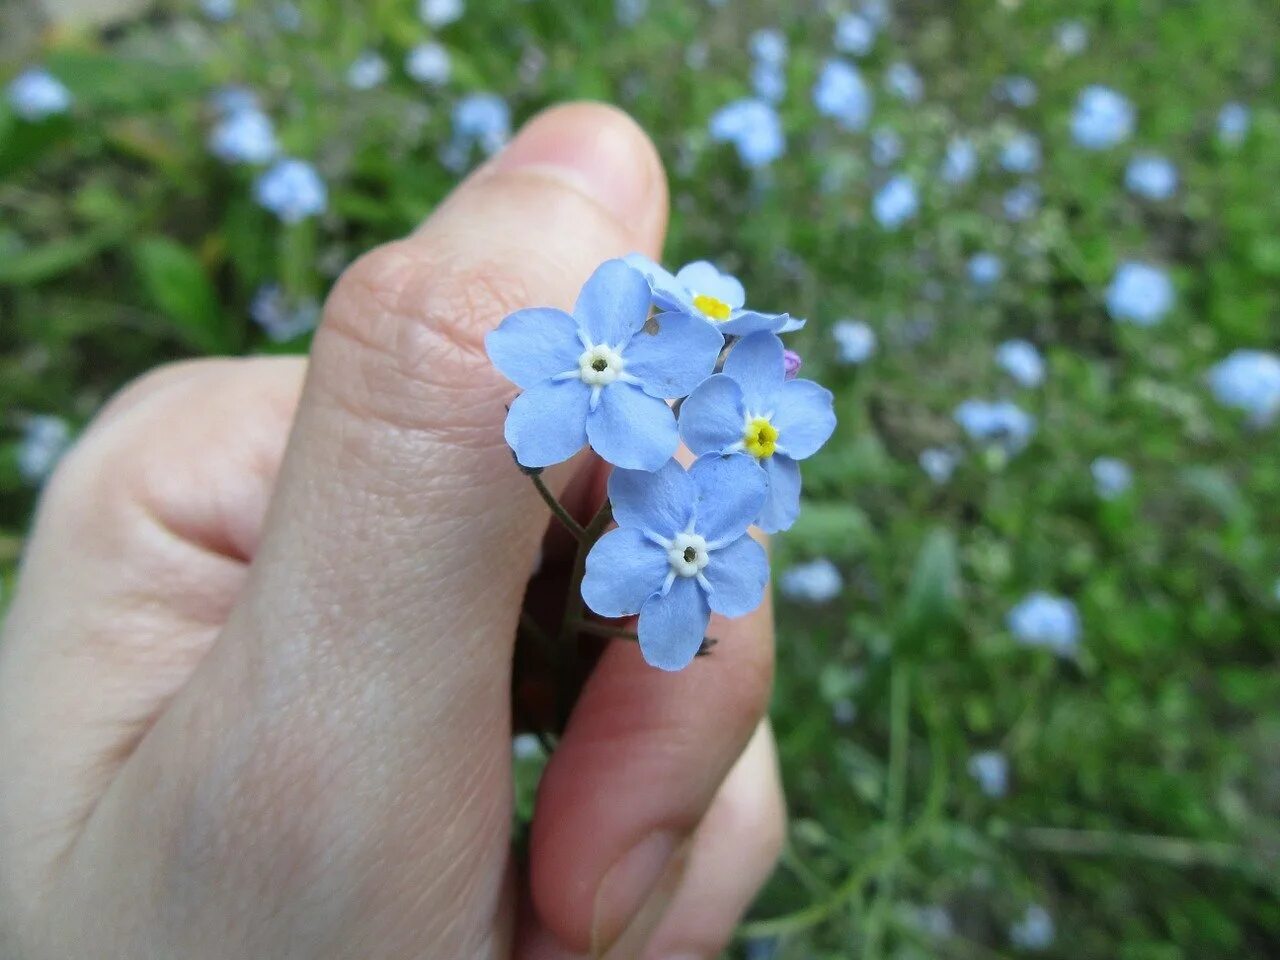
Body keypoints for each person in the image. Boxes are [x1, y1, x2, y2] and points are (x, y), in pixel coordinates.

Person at [0, 103, 784, 959]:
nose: (601, 362)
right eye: (599, 357)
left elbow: (657, 499)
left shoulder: (663, 442)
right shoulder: (624, 430)